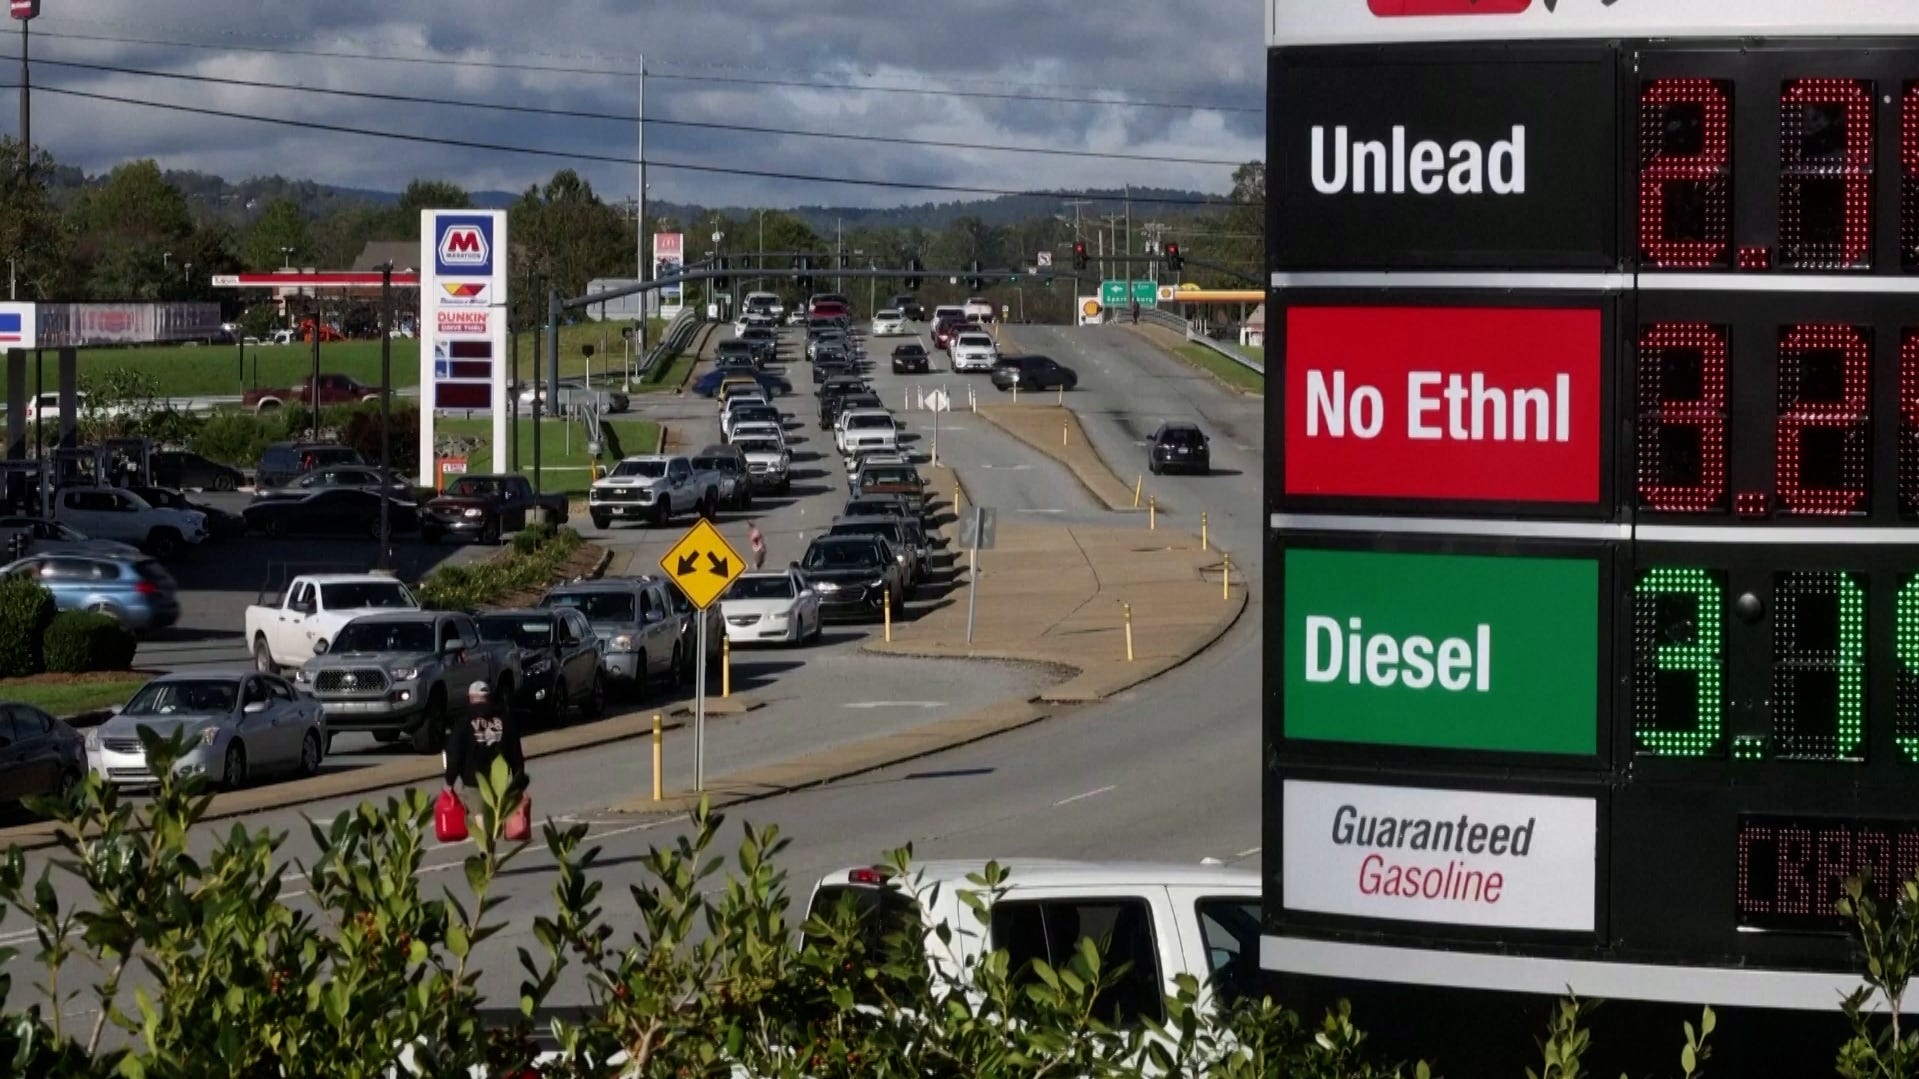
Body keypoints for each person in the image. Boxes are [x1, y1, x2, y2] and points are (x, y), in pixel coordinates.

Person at [443, 680, 524, 794]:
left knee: (476, 812)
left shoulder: (463, 723)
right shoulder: (505, 720)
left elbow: (454, 756)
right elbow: (516, 755)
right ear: (489, 697)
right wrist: (518, 784)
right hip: (500, 786)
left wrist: (449, 782)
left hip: (473, 785)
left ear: (470, 698)